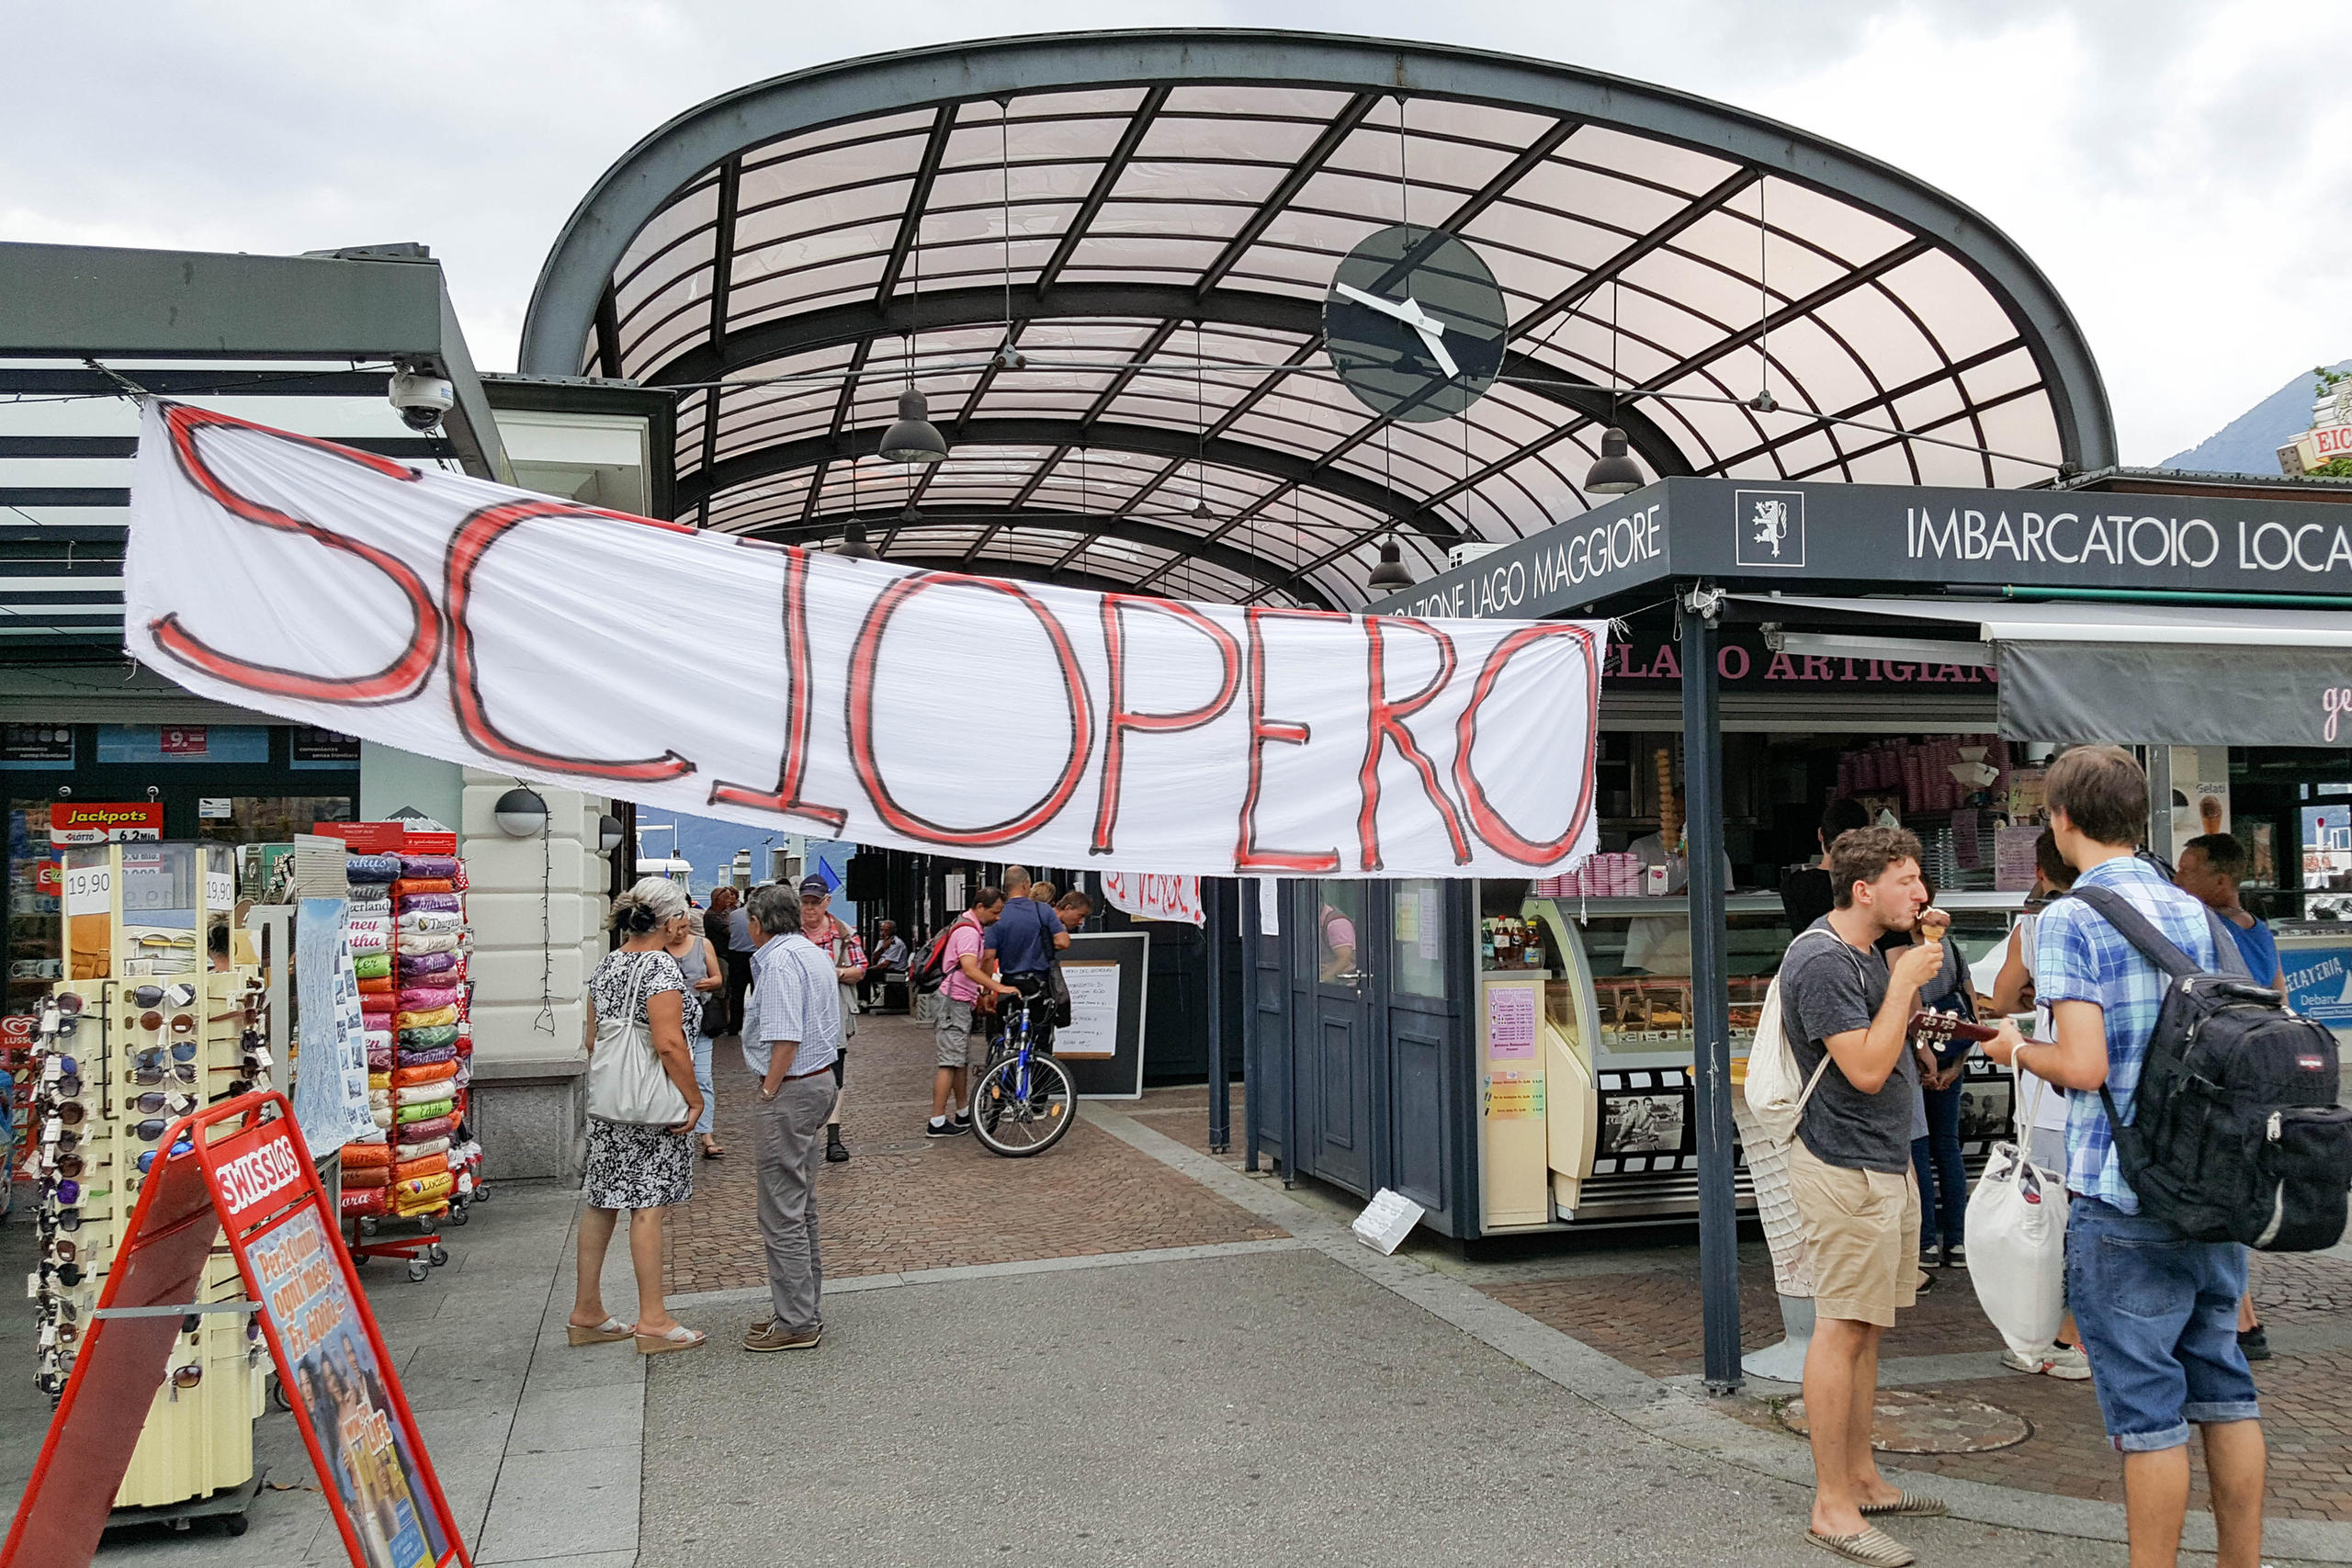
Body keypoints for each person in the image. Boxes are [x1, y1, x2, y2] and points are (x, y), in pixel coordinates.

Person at [1981, 745, 2266, 1568]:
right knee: (2224, 1387)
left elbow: (2083, 1065)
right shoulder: (2191, 910)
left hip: (2125, 1189)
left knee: (2148, 1415)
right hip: (2210, 1183)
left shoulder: (2072, 916)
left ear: (2062, 819)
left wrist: (2014, 1048)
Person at [1779, 825, 1950, 1564]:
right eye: (1908, 880)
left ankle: (1862, 1476)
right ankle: (1831, 1505)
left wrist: (1915, 998)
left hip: (1883, 1162)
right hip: (1842, 1165)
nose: (1921, 893)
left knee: (1868, 1327)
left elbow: (1889, 1048)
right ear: (1863, 889)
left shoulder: (1873, 954)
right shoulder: (1821, 959)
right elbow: (1867, 1071)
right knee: (1841, 1324)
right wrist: (1908, 981)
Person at [570, 877, 706, 1356]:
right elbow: (669, 1043)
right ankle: (653, 1318)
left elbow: (592, 1041)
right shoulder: (661, 972)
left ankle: (587, 1311)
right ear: (670, 923)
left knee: (602, 1201)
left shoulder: (608, 965)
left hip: (610, 1106)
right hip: (652, 1107)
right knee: (648, 1206)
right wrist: (694, 1098)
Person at [2174, 831, 2284, 1363]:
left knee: (2218, 1190)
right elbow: (2280, 996)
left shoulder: (2209, 928)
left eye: (2189, 869)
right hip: (2259, 1075)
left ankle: (2241, 1319)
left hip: (2229, 1077)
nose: (2179, 878)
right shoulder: (2258, 930)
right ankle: (2242, 1317)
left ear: (2221, 881)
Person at [1987, 828, 2093, 1380]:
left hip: (2050, 1096)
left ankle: (2067, 1338)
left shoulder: (2036, 925)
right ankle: (2085, 1336)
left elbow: (2003, 998)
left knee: (2055, 1227)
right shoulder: (2130, 915)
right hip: (2113, 1101)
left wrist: (2028, 995)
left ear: (2043, 873)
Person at [738, 881, 839, 1352]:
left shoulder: (777, 962)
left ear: (757, 923)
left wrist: (768, 1089)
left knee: (781, 1210)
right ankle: (802, 1310)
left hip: (792, 1086)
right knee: (800, 1206)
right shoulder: (811, 951)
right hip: (818, 1081)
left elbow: (784, 1036)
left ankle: (796, 1322)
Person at [1883, 874, 1973, 1276]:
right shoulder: (1949, 948)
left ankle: (1925, 1245)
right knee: (1948, 1149)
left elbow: (1908, 1007)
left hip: (1916, 1057)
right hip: (1951, 1054)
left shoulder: (1901, 949)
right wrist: (1957, 1061)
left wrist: (1922, 1053)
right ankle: (1958, 1240)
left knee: (1918, 1148)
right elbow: (1970, 1004)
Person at [929, 888, 1015, 1136]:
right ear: (980, 907)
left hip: (958, 1000)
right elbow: (968, 967)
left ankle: (963, 1111)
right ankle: (936, 1120)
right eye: (995, 912)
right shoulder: (968, 931)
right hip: (952, 1001)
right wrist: (996, 986)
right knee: (949, 1061)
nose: (998, 918)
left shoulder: (970, 927)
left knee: (959, 1059)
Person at [800, 878, 865, 1165]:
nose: (810, 908)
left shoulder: (845, 934)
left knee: (835, 1072)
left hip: (835, 1010)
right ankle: (805, 1134)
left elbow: (861, 969)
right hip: (800, 1010)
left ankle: (833, 1137)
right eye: (805, 902)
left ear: (827, 902)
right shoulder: (791, 934)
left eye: (815, 902)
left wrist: (832, 972)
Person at [667, 908, 728, 1160]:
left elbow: (718, 978)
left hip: (700, 1018)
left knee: (702, 1076)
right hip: (671, 1022)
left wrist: (708, 983)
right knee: (671, 1076)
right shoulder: (657, 949)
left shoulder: (702, 944)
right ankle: (673, 1128)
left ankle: (706, 1135)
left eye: (685, 927)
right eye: (676, 928)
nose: (681, 933)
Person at [986, 865, 1069, 1023]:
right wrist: (1041, 942)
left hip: (1009, 983)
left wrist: (986, 992)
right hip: (1039, 984)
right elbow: (1063, 942)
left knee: (1005, 1028)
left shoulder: (998, 913)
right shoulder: (1042, 910)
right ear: (1025, 884)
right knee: (1040, 1031)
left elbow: (988, 957)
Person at [1781, 798, 1873, 934]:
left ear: (1820, 835)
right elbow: (1895, 951)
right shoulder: (1874, 884)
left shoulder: (1793, 884)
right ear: (1866, 838)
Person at [707, 886, 754, 1037]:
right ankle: (756, 1026)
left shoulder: (734, 915)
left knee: (736, 994)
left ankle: (735, 1026)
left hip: (735, 956)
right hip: (755, 955)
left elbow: (731, 931)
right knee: (757, 991)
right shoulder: (759, 916)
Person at [863, 919, 907, 1009]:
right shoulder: (881, 942)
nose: (883, 933)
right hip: (882, 968)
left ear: (892, 931)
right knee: (862, 973)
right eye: (881, 930)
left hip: (894, 970)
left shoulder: (896, 943)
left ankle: (864, 1000)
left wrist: (871, 969)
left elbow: (885, 964)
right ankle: (864, 998)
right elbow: (874, 957)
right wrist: (883, 948)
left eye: (886, 930)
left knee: (865, 975)